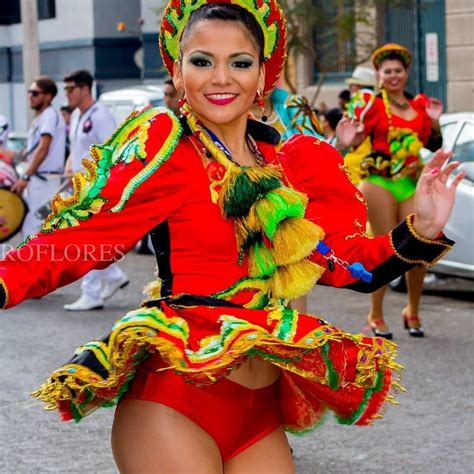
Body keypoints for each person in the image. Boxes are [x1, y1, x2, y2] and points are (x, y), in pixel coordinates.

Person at [0, 3, 463, 472]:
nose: (221, 77)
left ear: (262, 75)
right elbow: (80, 241)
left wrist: (419, 230)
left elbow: (350, 268)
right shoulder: (167, 149)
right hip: (174, 401)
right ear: (179, 75)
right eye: (202, 61)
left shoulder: (294, 164)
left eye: (239, 63)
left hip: (258, 416)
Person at [337, 43, 444, 339]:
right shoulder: (371, 105)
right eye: (388, 71)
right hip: (379, 181)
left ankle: (412, 310)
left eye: (398, 70)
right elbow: (356, 140)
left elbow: (434, 145)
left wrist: (434, 122)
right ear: (379, 75)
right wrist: (352, 138)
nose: (393, 76)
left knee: (419, 246)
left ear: (406, 73)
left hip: (410, 181)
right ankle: (375, 313)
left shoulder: (420, 106)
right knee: (384, 248)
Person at [62, 69, 129, 311]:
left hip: (95, 188)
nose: (67, 95)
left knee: (83, 241)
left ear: (84, 88)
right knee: (87, 240)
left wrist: (100, 184)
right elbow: (76, 148)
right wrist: (70, 167)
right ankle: (113, 276)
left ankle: (91, 292)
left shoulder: (100, 115)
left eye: (70, 89)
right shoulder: (78, 116)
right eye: (65, 90)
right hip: (79, 187)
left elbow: (113, 150)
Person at [11, 76, 66, 238]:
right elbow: (30, 151)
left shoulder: (49, 115)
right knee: (36, 229)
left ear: (48, 96)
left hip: (45, 182)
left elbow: (43, 147)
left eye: (35, 93)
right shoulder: (42, 117)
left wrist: (26, 176)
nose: (30, 96)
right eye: (29, 92)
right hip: (39, 181)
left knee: (32, 229)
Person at [342, 65, 377, 185]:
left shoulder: (363, 97)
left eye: (353, 85)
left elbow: (355, 123)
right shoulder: (374, 98)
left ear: (360, 86)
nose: (350, 88)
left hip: (365, 146)